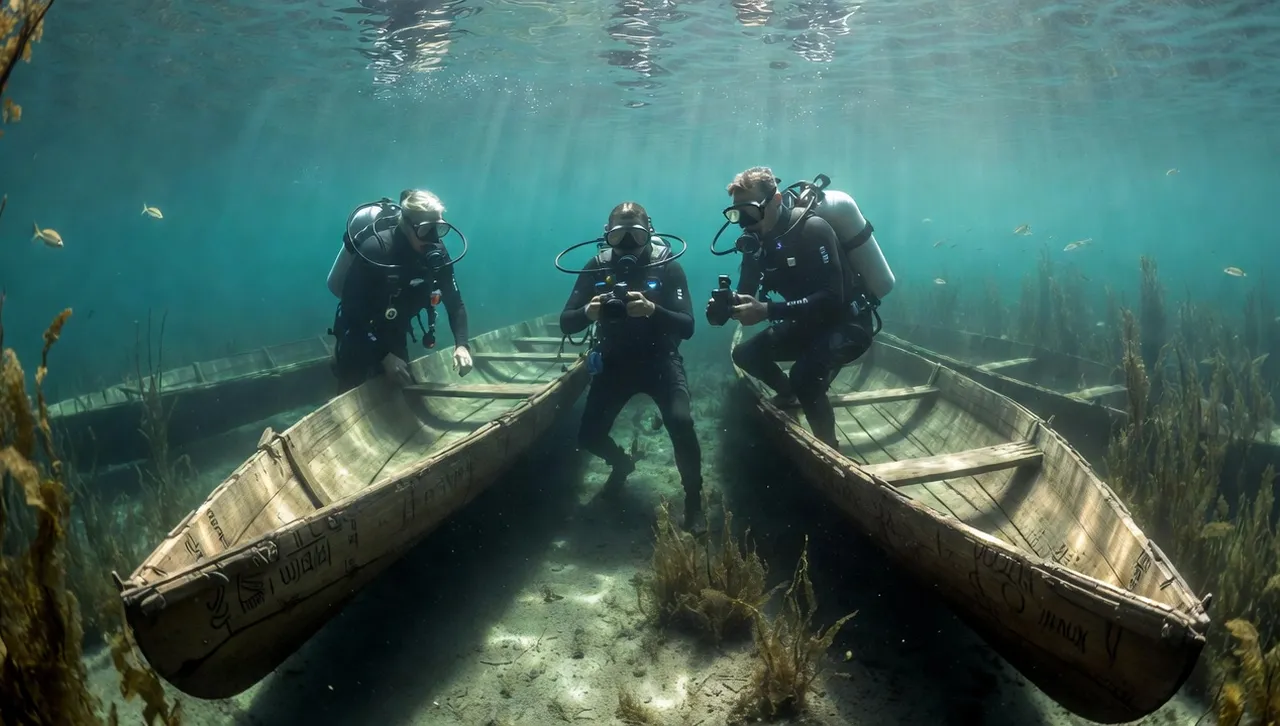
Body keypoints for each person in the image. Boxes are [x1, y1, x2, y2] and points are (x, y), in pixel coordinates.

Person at [707, 166, 889, 450]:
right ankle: (789, 394)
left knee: (805, 376)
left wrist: (768, 311)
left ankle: (830, 450)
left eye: (751, 211)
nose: (744, 223)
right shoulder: (755, 246)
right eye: (736, 214)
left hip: (849, 325)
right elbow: (746, 294)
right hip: (807, 324)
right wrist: (725, 308)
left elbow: (832, 298)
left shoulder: (812, 229)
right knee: (745, 354)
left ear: (776, 201)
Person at [559, 202, 706, 534]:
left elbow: (687, 326)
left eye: (635, 235)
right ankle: (622, 464)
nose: (626, 244)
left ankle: (694, 501)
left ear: (649, 233)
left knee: (681, 422)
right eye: (618, 235)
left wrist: (654, 309)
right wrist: (587, 313)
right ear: (606, 235)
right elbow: (566, 323)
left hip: (660, 360)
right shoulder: (596, 266)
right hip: (614, 363)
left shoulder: (668, 268)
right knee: (589, 436)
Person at [326, 188, 473, 394]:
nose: (433, 239)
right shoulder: (375, 250)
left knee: (398, 388)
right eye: (425, 230)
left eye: (438, 229)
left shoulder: (437, 253)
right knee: (350, 384)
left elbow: (455, 303)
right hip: (358, 332)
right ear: (406, 225)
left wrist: (462, 344)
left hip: (394, 329)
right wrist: (384, 356)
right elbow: (351, 311)